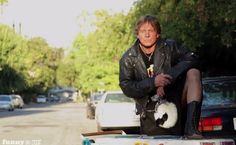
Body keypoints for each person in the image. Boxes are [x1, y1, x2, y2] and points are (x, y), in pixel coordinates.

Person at [119, 15, 203, 139]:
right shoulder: (128, 57)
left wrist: (167, 79)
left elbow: (192, 58)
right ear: (137, 34)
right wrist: (153, 82)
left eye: (150, 31)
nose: (146, 35)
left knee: (194, 72)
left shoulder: (169, 47)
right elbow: (126, 87)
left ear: (157, 34)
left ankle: (191, 128)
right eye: (143, 31)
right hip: (149, 108)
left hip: (176, 100)